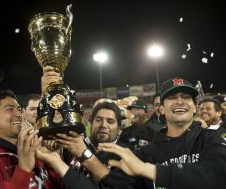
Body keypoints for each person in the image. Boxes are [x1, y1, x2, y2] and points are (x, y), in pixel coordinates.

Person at [36, 77, 226, 189]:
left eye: (186, 97)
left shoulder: (213, 139)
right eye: (172, 98)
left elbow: (217, 174)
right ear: (160, 108)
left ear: (195, 108)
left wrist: (148, 170)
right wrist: (57, 161)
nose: (180, 102)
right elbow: (110, 185)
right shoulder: (145, 154)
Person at [0, 90, 62, 188]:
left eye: (19, 109)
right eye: (10, 109)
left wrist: (52, 163)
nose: (19, 114)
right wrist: (23, 170)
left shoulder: (29, 149)